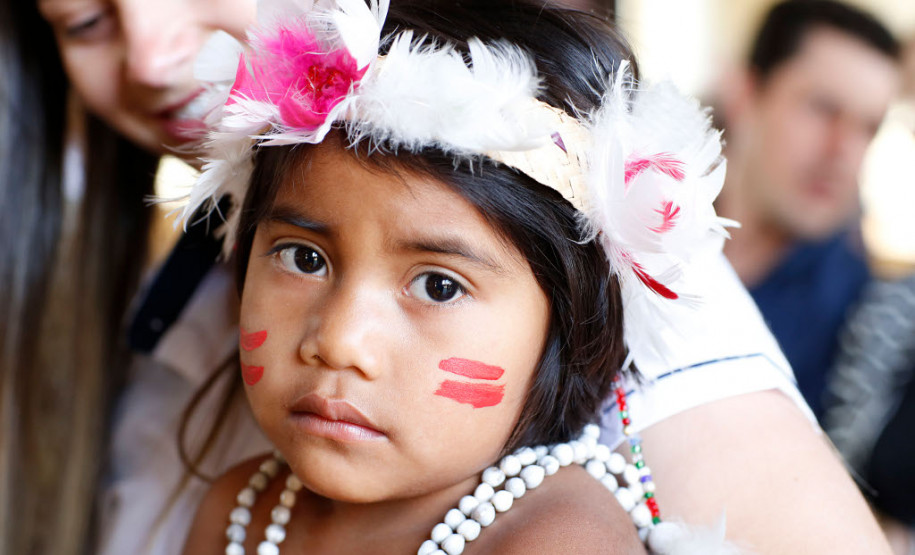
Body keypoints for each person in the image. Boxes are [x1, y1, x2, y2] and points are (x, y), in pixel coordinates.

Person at [0, 0, 891, 553]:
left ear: (576, 327)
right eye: (81, 18)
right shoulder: (238, 498)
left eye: (434, 283)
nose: (152, 53)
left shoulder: (596, 261)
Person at [715, 0, 900, 419]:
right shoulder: (631, 220)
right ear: (744, 93)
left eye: (868, 127)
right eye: (822, 108)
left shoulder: (858, 322)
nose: (844, 152)